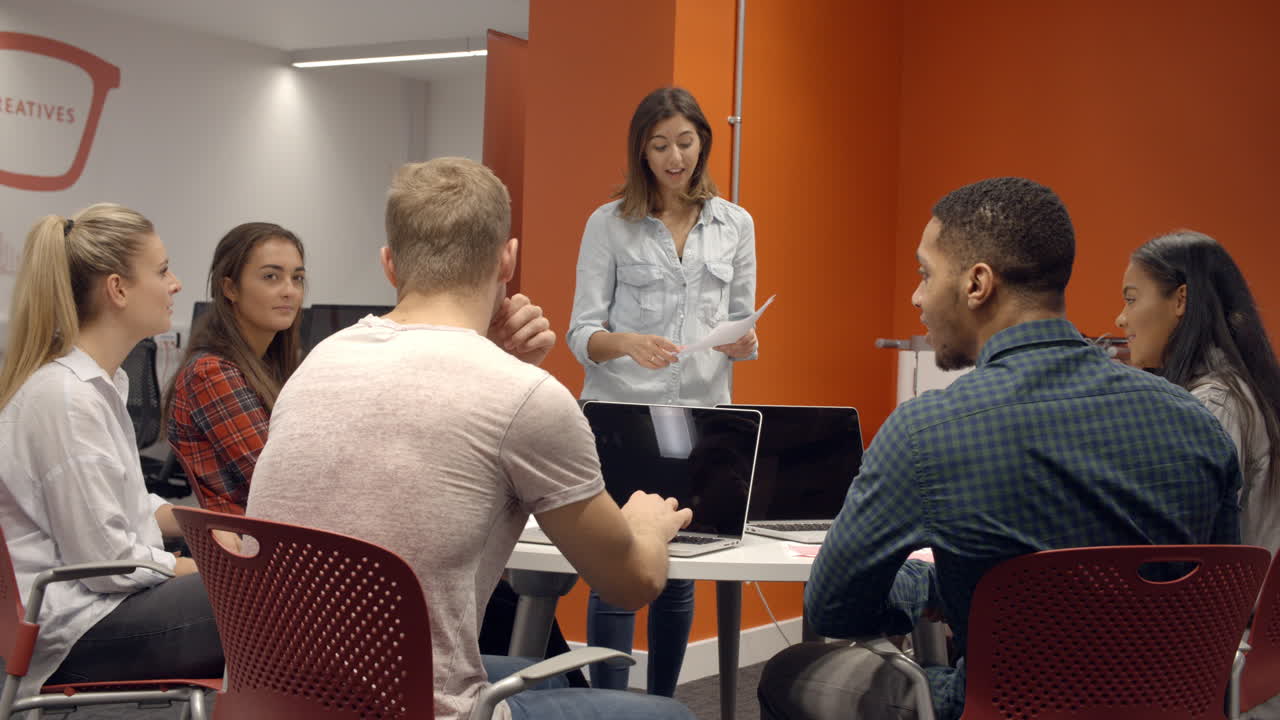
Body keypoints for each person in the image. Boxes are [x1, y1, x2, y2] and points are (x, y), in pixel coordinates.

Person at [757, 178, 1242, 720]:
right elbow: (1223, 593)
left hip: (1002, 708)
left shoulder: (926, 432)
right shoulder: (1198, 424)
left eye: (925, 274)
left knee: (789, 672)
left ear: (977, 284)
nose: (916, 296)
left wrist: (919, 593)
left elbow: (834, 607)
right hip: (1167, 707)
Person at [247, 157, 697, 720]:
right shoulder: (525, 396)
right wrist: (648, 527)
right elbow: (630, 584)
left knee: (538, 673)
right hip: (416, 709)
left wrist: (499, 359)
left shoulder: (317, 362)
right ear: (508, 258)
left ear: (389, 264)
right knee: (674, 716)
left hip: (279, 701)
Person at [566, 85, 757, 696]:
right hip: (624, 418)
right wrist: (625, 342)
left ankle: (663, 704)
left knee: (678, 572)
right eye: (660, 146)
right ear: (641, 152)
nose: (676, 157)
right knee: (616, 574)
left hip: (701, 416)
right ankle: (607, 706)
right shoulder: (608, 223)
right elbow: (580, 334)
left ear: (703, 143)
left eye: (686, 142)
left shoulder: (736, 224)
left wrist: (743, 343)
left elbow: (744, 325)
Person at [0, 204, 224, 695]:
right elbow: (110, 561)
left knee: (271, 590)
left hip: (97, 610)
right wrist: (211, 568)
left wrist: (207, 525)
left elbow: (125, 505)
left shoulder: (95, 386)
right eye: (162, 271)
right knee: (270, 598)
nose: (175, 284)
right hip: (81, 628)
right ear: (118, 289)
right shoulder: (67, 399)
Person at [1116, 230, 1280, 554]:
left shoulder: (1213, 405)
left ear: (1181, 300)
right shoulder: (1236, 390)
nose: (1120, 318)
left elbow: (1179, 543)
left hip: (1230, 588)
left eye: (1131, 299)